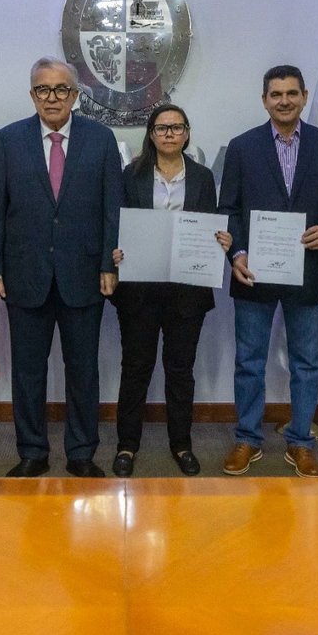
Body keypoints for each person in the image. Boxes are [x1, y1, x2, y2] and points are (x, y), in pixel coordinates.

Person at [0, 56, 122, 478]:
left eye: (61, 89)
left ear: (76, 95)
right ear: (32, 95)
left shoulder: (101, 139)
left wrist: (107, 263)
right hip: (25, 275)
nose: (52, 97)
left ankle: (81, 452)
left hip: (84, 275)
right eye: (43, 89)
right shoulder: (8, 140)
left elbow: (111, 208)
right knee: (27, 371)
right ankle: (32, 452)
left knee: (83, 369)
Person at [217, 64, 318, 477]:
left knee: (307, 362)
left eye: (292, 93)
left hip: (307, 270)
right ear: (264, 100)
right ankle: (247, 440)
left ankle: (300, 443)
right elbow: (229, 209)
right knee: (249, 361)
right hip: (254, 271)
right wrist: (236, 253)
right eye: (276, 94)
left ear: (305, 96)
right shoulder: (241, 147)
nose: (285, 101)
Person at [108, 104, 231, 477]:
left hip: (186, 292)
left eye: (177, 127)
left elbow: (209, 224)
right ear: (150, 134)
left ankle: (182, 444)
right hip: (140, 290)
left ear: (187, 133)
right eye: (162, 128)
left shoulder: (203, 177)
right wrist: (116, 250)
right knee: (135, 369)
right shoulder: (131, 175)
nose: (169, 134)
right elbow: (118, 222)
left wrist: (220, 241)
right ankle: (127, 445)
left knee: (180, 371)